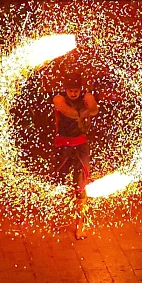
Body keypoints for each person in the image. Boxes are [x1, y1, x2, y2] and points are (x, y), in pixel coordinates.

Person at [53, 72, 98, 239]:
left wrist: (88, 107)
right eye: (70, 90)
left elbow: (93, 109)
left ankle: (80, 225)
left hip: (80, 146)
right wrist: (83, 114)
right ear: (65, 90)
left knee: (80, 186)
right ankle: (60, 214)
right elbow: (67, 112)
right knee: (59, 182)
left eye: (76, 90)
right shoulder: (59, 98)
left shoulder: (86, 96)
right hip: (63, 146)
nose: (73, 93)